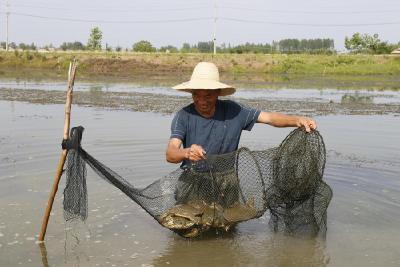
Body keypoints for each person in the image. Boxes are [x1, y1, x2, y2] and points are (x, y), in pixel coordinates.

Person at [166, 62, 316, 167]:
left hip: (227, 181)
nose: (202, 101)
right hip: (192, 179)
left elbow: (269, 118)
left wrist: (297, 120)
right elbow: (171, 153)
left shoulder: (234, 111)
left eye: (208, 96)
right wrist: (187, 152)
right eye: (196, 95)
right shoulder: (184, 115)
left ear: (218, 93)